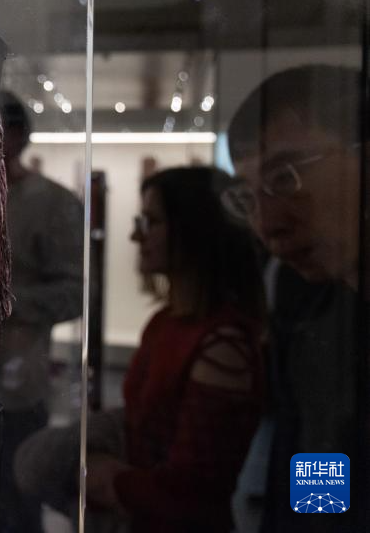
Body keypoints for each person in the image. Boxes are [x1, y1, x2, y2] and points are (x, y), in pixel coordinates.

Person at [83, 167, 266, 533]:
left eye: (152, 222)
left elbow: (191, 491)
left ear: (194, 229)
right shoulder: (165, 322)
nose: (136, 235)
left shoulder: (223, 342)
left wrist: (105, 479)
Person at [225, 64, 364, 533]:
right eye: (249, 197)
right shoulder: (314, 322)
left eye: (286, 178)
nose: (267, 225)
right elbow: (319, 492)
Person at [0, 91, 84, 533]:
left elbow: (75, 292)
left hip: (15, 385)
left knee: (15, 506)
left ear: (17, 136)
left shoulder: (51, 203)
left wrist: (5, 302)